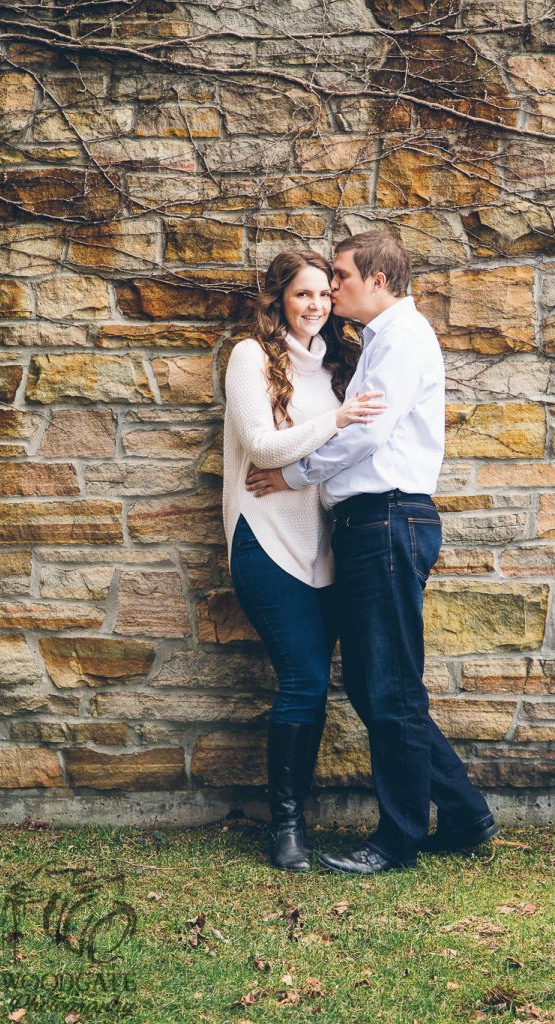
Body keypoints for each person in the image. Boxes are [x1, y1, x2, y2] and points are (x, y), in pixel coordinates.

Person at [245, 230, 499, 875]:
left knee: (389, 687)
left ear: (377, 281)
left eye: (341, 276)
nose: (332, 288)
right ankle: (464, 810)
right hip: (370, 524)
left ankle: (397, 840)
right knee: (370, 682)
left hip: (385, 518)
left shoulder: (403, 339)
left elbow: (368, 433)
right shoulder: (378, 342)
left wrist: (294, 477)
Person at [222, 248, 386, 872]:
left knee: (322, 687)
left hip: (329, 549)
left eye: (324, 294)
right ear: (278, 301)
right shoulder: (250, 357)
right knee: (305, 681)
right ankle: (286, 828)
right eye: (302, 295)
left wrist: (334, 423)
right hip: (264, 539)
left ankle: (301, 818)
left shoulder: (344, 365)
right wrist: (338, 421)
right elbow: (263, 447)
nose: (315, 305)